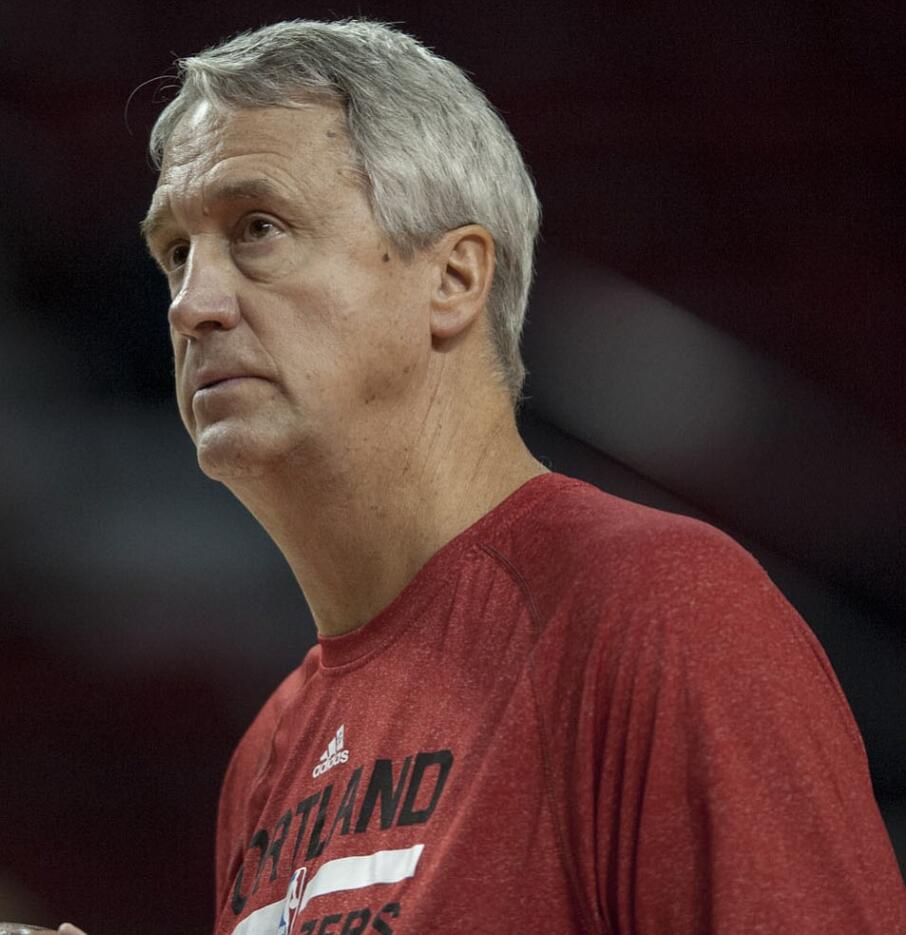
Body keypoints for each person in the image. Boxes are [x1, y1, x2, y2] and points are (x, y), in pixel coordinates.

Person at [72, 18, 906, 935]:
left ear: (455, 278)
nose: (192, 304)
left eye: (257, 228)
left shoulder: (660, 609)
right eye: (176, 254)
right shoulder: (269, 750)